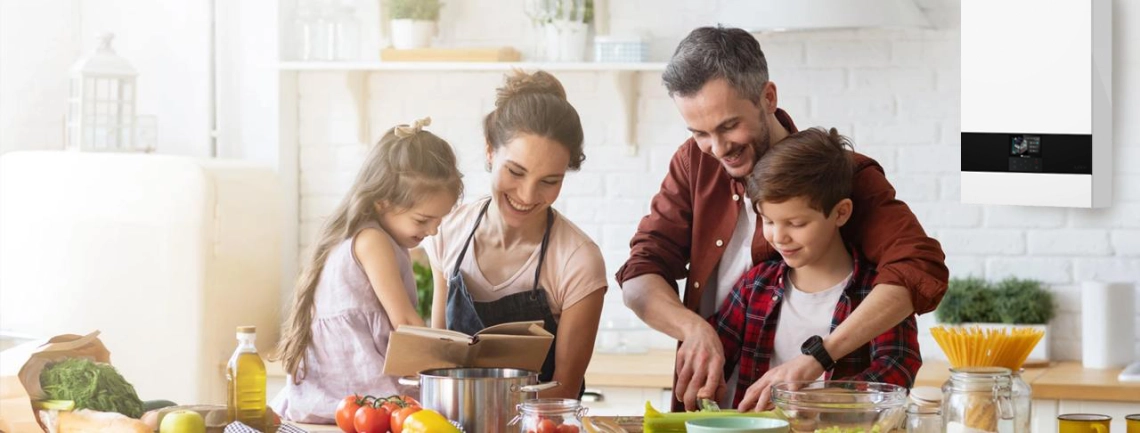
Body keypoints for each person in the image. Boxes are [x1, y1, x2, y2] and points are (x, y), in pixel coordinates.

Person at [616, 26, 948, 411]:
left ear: (768, 97)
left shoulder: (840, 175)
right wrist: (693, 329)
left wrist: (818, 360)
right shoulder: (695, 162)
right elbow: (640, 272)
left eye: (728, 126)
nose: (718, 148)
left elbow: (918, 267)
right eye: (699, 133)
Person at [425, 70, 608, 399]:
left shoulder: (578, 260)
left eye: (549, 181)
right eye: (515, 171)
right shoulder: (448, 231)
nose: (527, 194)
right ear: (490, 151)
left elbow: (564, 391)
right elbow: (437, 364)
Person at [711, 127, 922, 411]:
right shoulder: (754, 286)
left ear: (841, 213)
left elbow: (897, 369)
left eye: (796, 224)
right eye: (768, 221)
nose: (779, 237)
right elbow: (716, 354)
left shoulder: (877, 293)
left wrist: (816, 401)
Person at [270, 118, 463, 423]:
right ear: (382, 202)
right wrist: (451, 362)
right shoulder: (372, 241)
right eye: (423, 220)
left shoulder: (371, 235)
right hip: (355, 388)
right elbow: (405, 322)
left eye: (439, 221)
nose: (432, 231)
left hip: (340, 391)